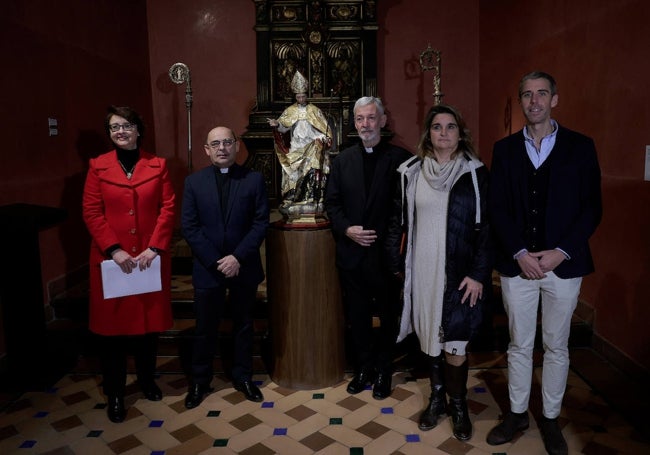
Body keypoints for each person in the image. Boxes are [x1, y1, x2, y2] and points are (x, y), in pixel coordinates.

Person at [486, 71, 602, 455]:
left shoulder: (581, 147)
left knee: (557, 345)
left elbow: (591, 209)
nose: (533, 101)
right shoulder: (504, 150)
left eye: (541, 94)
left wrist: (560, 252)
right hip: (517, 265)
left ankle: (549, 417)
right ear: (521, 102)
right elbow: (497, 208)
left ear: (555, 99)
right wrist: (519, 252)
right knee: (519, 344)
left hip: (563, 266)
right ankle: (518, 413)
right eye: (526, 95)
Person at [386, 104, 491, 441]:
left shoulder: (474, 172)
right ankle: (436, 399)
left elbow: (488, 229)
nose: (443, 133)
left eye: (450, 127)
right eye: (437, 127)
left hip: (460, 274)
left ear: (461, 133)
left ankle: (458, 405)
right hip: (423, 271)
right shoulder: (411, 172)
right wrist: (397, 264)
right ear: (428, 133)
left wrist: (477, 273)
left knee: (456, 342)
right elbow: (397, 223)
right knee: (431, 335)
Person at [82, 105, 176, 423]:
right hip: (113, 263)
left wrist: (155, 247)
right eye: (113, 128)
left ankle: (147, 380)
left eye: (126, 125)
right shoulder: (97, 167)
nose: (120, 131)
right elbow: (92, 212)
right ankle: (116, 395)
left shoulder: (158, 165)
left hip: (149, 259)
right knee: (113, 334)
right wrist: (114, 250)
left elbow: (168, 208)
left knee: (146, 329)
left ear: (138, 129)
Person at [324, 96, 411, 400]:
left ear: (383, 121)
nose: (365, 124)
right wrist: (347, 229)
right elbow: (331, 204)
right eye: (360, 119)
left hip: (387, 257)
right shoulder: (342, 160)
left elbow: (408, 211)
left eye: (371, 118)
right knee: (357, 315)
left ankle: (385, 369)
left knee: (389, 316)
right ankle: (364, 368)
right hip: (352, 255)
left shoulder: (402, 160)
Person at [181, 126, 270, 407]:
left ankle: (243, 377)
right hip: (208, 268)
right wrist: (216, 261)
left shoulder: (254, 180)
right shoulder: (193, 183)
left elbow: (260, 222)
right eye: (215, 144)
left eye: (227, 142)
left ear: (236, 146)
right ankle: (199, 381)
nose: (222, 148)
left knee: (243, 325)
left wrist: (237, 258)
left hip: (243, 266)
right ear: (206, 150)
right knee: (205, 327)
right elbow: (190, 226)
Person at [268, 70, 332, 221]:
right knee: (292, 173)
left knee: (312, 171)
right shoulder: (290, 111)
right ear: (295, 96)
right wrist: (276, 124)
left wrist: (323, 138)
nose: (301, 98)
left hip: (311, 147)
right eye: (298, 96)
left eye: (303, 96)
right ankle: (292, 198)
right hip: (296, 148)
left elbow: (323, 129)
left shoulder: (314, 110)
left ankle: (311, 198)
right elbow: (284, 127)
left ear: (306, 95)